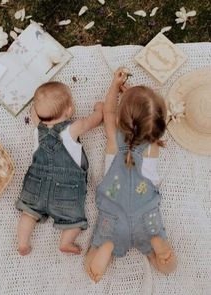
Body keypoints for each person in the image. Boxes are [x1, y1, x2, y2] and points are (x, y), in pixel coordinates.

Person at [85, 68, 177, 283]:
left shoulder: (112, 137)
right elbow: (156, 119)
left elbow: (108, 111)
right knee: (167, 268)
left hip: (113, 214)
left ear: (119, 120)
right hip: (146, 214)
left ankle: (106, 247)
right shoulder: (153, 143)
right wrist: (138, 104)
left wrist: (115, 87)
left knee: (90, 265)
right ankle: (158, 245)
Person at [16, 81, 103, 256]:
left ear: (39, 115)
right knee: (74, 221)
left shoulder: (37, 127)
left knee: (28, 213)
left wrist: (39, 109)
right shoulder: (72, 128)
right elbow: (92, 122)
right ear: (70, 111)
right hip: (66, 190)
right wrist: (99, 110)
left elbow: (35, 112)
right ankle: (66, 242)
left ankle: (23, 242)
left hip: (36, 185)